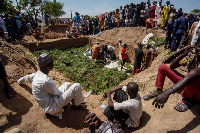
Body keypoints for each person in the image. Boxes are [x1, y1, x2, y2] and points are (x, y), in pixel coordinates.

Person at [13, 53, 86, 117]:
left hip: (45, 103)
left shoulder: (37, 75)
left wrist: (19, 80)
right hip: (52, 107)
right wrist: (70, 97)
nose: (53, 63)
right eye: (51, 62)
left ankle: (74, 101)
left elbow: (27, 78)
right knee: (77, 86)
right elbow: (57, 93)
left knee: (67, 84)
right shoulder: (46, 81)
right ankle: (76, 105)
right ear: (48, 65)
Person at [152, 39, 200, 112]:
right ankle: (159, 90)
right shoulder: (192, 56)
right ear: (195, 46)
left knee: (194, 80)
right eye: (199, 47)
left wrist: (167, 92)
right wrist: (183, 54)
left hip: (197, 90)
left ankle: (190, 100)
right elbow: (172, 67)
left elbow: (191, 76)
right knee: (162, 67)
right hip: (189, 83)